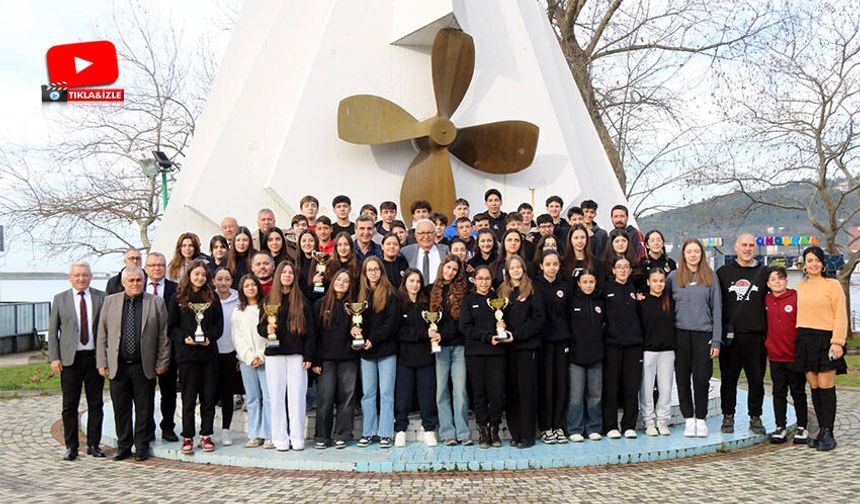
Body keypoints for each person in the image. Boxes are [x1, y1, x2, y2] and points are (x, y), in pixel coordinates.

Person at [96, 265, 170, 462]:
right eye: (132, 280)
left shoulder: (156, 302)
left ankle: (142, 446)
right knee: (121, 408)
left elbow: (164, 336)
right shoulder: (110, 302)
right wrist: (102, 361)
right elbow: (102, 334)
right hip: (118, 365)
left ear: (144, 281)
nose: (136, 283)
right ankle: (124, 446)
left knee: (144, 408)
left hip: (143, 365)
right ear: (123, 283)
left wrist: (163, 361)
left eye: (139, 280)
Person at [48, 261, 107, 461]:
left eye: (84, 275)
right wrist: (54, 357)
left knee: (96, 403)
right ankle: (71, 446)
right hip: (69, 360)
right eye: (76, 275)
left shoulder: (101, 297)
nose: (81, 278)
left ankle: (93, 444)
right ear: (70, 277)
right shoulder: (60, 299)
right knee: (69, 405)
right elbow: (53, 332)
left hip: (94, 358)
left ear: (90, 276)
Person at [258, 261, 316, 451]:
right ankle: (280, 438)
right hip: (275, 355)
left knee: (297, 397)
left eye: (291, 272)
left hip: (297, 355)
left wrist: (308, 355)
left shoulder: (302, 300)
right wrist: (267, 330)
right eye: (284, 272)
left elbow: (310, 331)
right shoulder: (268, 300)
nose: (288, 275)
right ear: (278, 276)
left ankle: (297, 437)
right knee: (276, 397)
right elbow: (260, 327)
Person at [168, 260, 224, 454]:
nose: (200, 278)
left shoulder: (213, 297)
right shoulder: (178, 297)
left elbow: (219, 326)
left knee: (208, 398)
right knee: (189, 399)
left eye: (203, 275)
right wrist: (185, 338)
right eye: (196, 274)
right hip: (187, 357)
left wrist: (209, 337)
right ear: (189, 275)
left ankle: (207, 434)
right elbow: (171, 328)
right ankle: (188, 436)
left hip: (208, 356)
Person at [795, 246, 848, 451]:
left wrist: (838, 341)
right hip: (805, 339)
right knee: (814, 386)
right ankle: (820, 429)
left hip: (826, 339)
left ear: (822, 263)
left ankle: (829, 432)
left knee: (826, 387)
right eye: (809, 260)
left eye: (817, 260)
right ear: (804, 264)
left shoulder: (832, 285)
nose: (813, 264)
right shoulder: (801, 285)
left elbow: (841, 314)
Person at [667, 239, 721, 438]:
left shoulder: (710, 276)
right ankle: (688, 419)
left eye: (696, 251)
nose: (693, 255)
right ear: (683, 254)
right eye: (689, 251)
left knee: (701, 379)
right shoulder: (673, 277)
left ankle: (701, 419)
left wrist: (716, 340)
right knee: (682, 379)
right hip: (680, 334)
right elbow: (663, 304)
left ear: (701, 254)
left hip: (703, 334)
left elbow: (717, 309)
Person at [716, 233, 768, 435]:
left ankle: (755, 416)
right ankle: (728, 415)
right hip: (731, 338)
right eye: (744, 245)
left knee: (756, 379)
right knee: (728, 380)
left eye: (751, 245)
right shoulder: (723, 273)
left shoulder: (765, 273)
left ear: (755, 248)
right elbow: (715, 304)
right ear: (736, 247)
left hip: (756, 337)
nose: (747, 249)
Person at [498, 254, 545, 448]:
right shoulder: (502, 291)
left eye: (519, 267)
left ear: (524, 269)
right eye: (512, 267)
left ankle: (527, 436)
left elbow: (537, 320)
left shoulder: (533, 289)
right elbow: (498, 316)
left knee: (526, 392)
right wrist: (500, 327)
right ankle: (516, 433)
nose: (516, 270)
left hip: (527, 348)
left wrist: (516, 335)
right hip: (508, 350)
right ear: (507, 271)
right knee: (512, 392)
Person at [355, 256, 399, 448]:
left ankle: (386, 433)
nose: (373, 273)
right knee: (368, 393)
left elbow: (391, 324)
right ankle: (368, 431)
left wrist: (373, 340)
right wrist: (356, 332)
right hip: (366, 352)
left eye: (376, 269)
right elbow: (357, 321)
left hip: (386, 350)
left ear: (381, 271)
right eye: (369, 270)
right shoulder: (360, 295)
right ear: (364, 273)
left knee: (387, 393)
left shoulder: (390, 294)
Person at [313, 269, 359, 449]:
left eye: (346, 281)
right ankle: (322, 436)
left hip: (348, 358)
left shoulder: (354, 307)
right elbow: (314, 335)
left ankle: (342, 434)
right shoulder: (320, 304)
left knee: (347, 397)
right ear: (332, 282)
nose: (341, 283)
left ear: (350, 286)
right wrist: (316, 360)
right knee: (325, 398)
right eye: (338, 279)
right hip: (326, 360)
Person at [394, 269, 439, 447]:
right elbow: (399, 331)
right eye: (411, 281)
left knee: (427, 395)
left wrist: (433, 334)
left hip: (425, 358)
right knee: (403, 396)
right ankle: (400, 430)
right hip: (404, 358)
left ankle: (429, 429)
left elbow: (433, 326)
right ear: (405, 282)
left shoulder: (427, 304)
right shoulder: (398, 303)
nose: (415, 285)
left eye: (418, 281)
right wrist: (423, 333)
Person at [460, 265, 505, 448]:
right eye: (481, 279)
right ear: (475, 280)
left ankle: (494, 429)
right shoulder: (469, 300)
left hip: (496, 353)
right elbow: (465, 326)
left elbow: (505, 323)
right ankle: (482, 431)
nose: (484, 282)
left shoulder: (498, 300)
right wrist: (486, 337)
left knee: (495, 393)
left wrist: (502, 326)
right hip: (475, 353)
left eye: (487, 279)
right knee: (479, 394)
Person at [429, 256, 470, 446]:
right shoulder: (432, 290)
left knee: (460, 390)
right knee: (441, 391)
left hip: (458, 346)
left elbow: (460, 323)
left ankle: (463, 433)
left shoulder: (463, 291)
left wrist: (442, 335)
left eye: (454, 269)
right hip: (440, 349)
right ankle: (448, 433)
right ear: (442, 267)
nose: (450, 271)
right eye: (448, 267)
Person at [764, 266, 808, 445]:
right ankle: (780, 426)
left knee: (798, 392)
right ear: (768, 283)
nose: (777, 282)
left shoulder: (796, 298)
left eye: (780, 278)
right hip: (775, 356)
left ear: (786, 280)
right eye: (773, 279)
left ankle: (802, 427)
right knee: (778, 392)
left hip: (794, 356)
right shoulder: (765, 300)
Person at [602, 256, 644, 439]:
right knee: (611, 387)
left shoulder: (635, 288)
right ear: (613, 270)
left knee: (631, 387)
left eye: (626, 267)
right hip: (612, 344)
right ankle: (610, 426)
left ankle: (629, 425)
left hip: (633, 345)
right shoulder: (606, 289)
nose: (622, 270)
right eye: (619, 267)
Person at [533, 250, 571, 444]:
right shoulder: (535, 285)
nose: (552, 268)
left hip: (562, 341)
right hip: (543, 342)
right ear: (541, 266)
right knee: (546, 385)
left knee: (561, 385)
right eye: (548, 264)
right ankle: (546, 427)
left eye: (555, 264)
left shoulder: (565, 286)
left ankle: (558, 426)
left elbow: (570, 313)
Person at [230, 274, 273, 449]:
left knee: (269, 397)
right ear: (242, 289)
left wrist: (261, 356)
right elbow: (237, 337)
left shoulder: (266, 308)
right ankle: (254, 434)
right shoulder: (238, 311)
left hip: (266, 358)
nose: (250, 288)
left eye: (253, 285)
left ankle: (269, 433)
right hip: (247, 361)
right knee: (253, 398)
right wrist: (249, 357)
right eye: (246, 286)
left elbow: (270, 334)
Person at [143, 252, 180, 442]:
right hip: (144, 349)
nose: (157, 268)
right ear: (146, 267)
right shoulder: (137, 287)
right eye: (153, 265)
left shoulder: (176, 289)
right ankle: (147, 428)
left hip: (170, 349)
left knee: (169, 393)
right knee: (145, 393)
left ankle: (168, 427)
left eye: (160, 265)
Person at [566, 269, 604, 442]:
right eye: (585, 282)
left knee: (595, 394)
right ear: (579, 283)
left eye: (591, 282)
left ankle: (594, 427)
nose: (588, 285)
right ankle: (575, 428)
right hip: (576, 356)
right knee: (576, 395)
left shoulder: (600, 301)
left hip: (596, 355)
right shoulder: (572, 301)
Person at [639, 268, 676, 437]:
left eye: (661, 281)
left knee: (665, 387)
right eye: (655, 281)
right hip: (648, 351)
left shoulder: (671, 301)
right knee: (646, 388)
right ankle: (649, 420)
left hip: (667, 351)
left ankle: (662, 420)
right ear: (648, 282)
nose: (658, 284)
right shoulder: (642, 301)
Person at [213, 268, 240, 446]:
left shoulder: (238, 299)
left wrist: (239, 354)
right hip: (212, 353)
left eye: (227, 279)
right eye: (220, 279)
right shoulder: (209, 298)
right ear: (214, 280)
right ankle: (207, 430)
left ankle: (226, 430)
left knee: (228, 393)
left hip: (231, 352)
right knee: (210, 393)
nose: (223, 283)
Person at [401, 219, 450, 286]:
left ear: (435, 234)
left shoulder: (446, 250)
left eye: (429, 233)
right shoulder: (406, 251)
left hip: (439, 292)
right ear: (415, 236)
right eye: (422, 233)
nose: (426, 236)